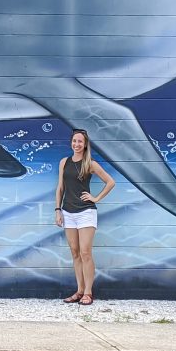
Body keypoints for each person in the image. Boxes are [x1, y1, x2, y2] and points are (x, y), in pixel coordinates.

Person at [55, 128, 115, 306]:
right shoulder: (64, 162)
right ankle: (79, 290)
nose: (77, 144)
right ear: (71, 142)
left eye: (80, 141)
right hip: (68, 212)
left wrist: (95, 198)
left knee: (85, 252)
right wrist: (58, 209)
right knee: (75, 253)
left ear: (85, 144)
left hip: (86, 212)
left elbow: (110, 182)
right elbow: (60, 188)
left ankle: (88, 292)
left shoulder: (90, 164)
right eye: (74, 141)